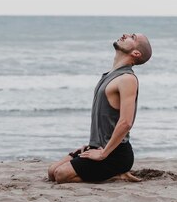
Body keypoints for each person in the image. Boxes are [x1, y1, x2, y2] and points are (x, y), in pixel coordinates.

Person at [48, 33, 152, 183]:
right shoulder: (109, 75)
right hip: (97, 147)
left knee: (61, 175)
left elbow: (126, 122)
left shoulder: (127, 79)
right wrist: (93, 144)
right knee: (52, 172)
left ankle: (117, 174)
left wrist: (103, 154)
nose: (125, 35)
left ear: (136, 53)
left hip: (115, 154)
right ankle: (106, 168)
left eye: (132, 37)